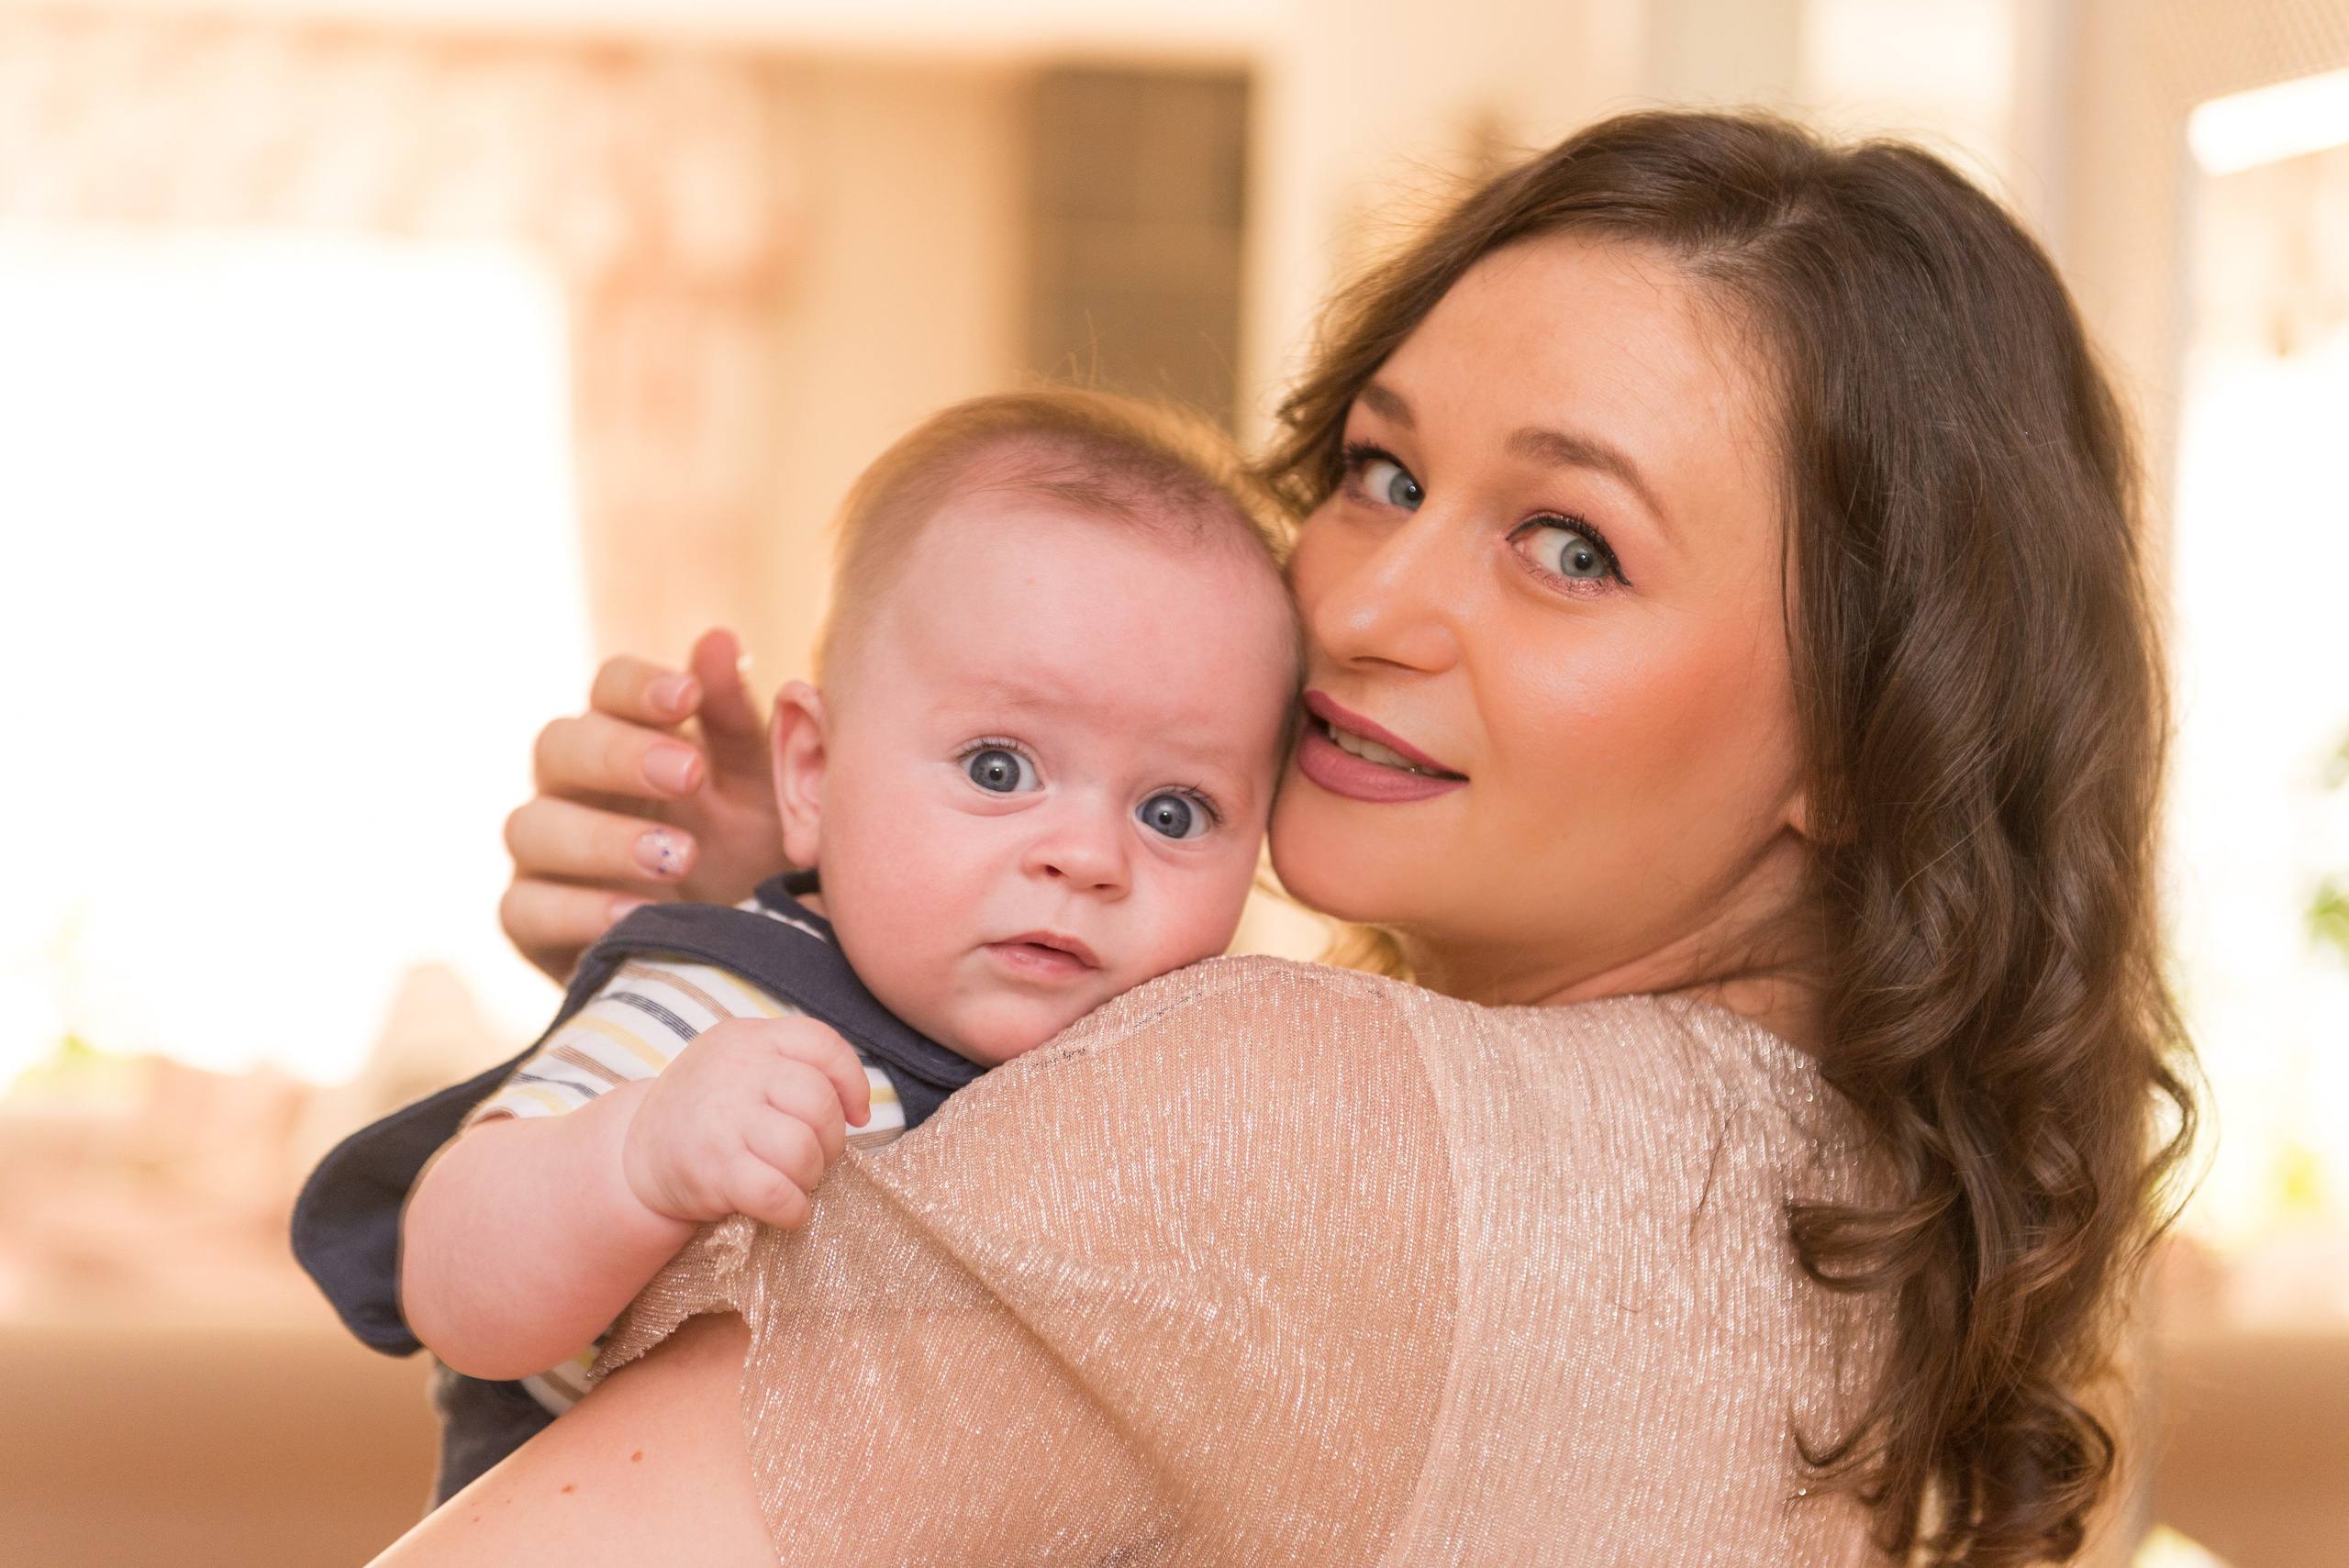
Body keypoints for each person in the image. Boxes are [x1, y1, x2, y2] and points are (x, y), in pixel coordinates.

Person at [374, 112, 2193, 1567]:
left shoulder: (1280, 1110)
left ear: (1871, 739)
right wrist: (791, 942)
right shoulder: (1858, 1222)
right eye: (1381, 473)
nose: (1370, 598)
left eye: (1569, 543)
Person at [295, 390, 1299, 1500]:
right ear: (813, 773)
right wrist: (636, 1155)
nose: (1086, 854)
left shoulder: (1170, 1087)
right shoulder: (722, 1006)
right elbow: (450, 1278)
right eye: (999, 767)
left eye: (1173, 812)